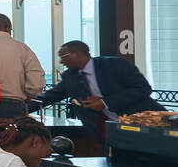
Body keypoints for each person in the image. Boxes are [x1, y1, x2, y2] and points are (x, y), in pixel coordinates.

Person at [30, 40, 162, 137]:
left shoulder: (113, 65)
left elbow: (142, 88)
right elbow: (49, 97)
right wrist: (18, 109)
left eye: (64, 57)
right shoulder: (71, 77)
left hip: (144, 124)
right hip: (107, 131)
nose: (61, 62)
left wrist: (105, 102)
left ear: (78, 54)